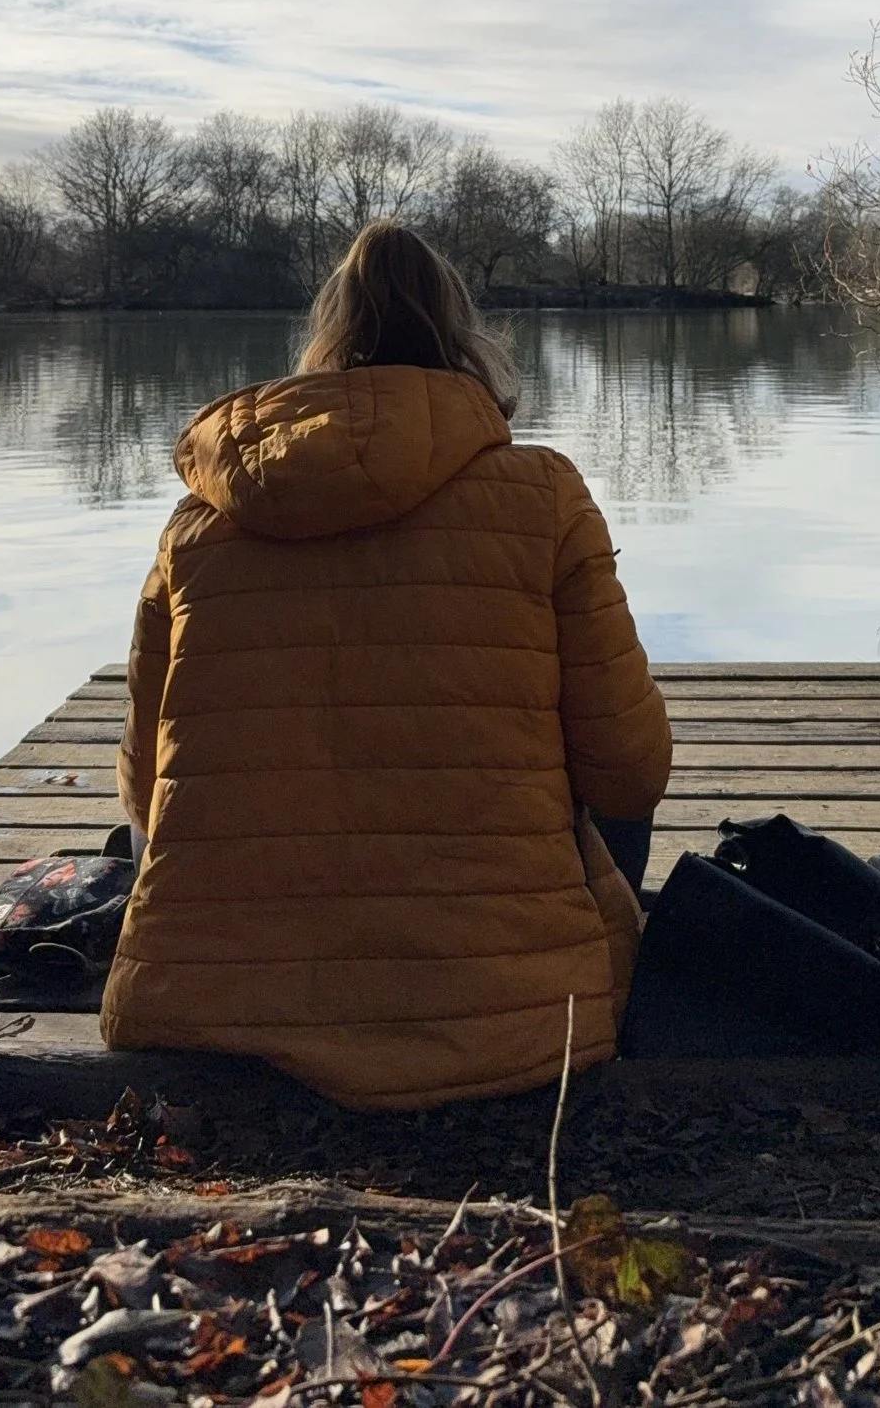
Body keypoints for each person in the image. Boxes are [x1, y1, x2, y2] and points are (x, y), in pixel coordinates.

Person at [100, 221, 673, 1110]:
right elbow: (630, 771)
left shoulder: (196, 526)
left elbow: (144, 790)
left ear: (321, 348)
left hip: (212, 1006)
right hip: (505, 1015)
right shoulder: (544, 495)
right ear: (464, 342)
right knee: (603, 768)